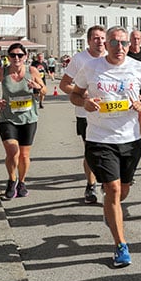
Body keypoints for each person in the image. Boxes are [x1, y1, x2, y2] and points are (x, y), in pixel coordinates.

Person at [70, 26, 141, 267]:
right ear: (106, 44)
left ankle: (111, 211)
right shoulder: (91, 67)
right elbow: (74, 94)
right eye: (114, 42)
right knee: (113, 189)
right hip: (100, 138)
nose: (119, 48)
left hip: (130, 140)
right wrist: (85, 102)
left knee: (122, 192)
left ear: (129, 46)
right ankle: (121, 245)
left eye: (123, 43)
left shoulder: (136, 67)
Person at [0, 43, 46, 200]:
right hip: (7, 118)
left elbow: (44, 90)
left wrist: (37, 87)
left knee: (24, 156)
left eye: (20, 55)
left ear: (25, 56)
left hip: (29, 118)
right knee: (13, 152)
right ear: (8, 57)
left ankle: (22, 182)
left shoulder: (32, 71)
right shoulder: (2, 72)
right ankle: (11, 180)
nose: (16, 58)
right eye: (13, 55)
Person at [59, 26, 107, 204]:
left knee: (108, 149)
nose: (100, 42)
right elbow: (64, 85)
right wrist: (82, 93)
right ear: (88, 41)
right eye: (95, 38)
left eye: (102, 38)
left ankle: (106, 181)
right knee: (91, 151)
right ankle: (91, 184)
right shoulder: (79, 59)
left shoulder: (111, 57)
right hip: (84, 114)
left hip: (109, 114)